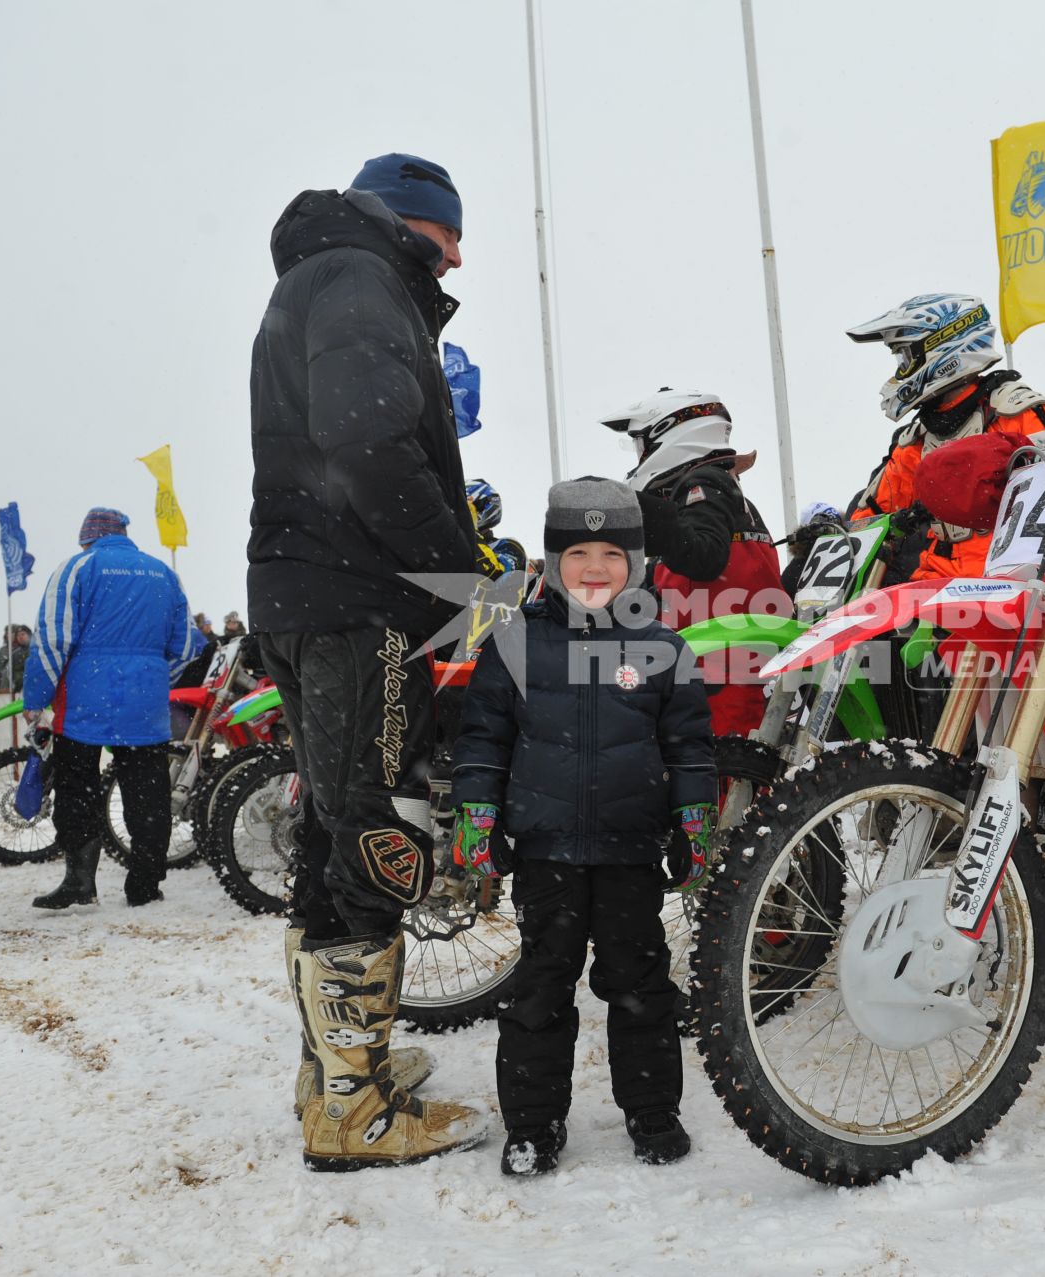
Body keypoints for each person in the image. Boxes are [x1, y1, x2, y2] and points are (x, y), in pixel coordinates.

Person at [248, 151, 488, 1170]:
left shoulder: (325, 276)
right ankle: (354, 1108)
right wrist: (461, 571)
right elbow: (369, 439)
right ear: (406, 223)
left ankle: (337, 1069)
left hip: (307, 592)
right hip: (360, 604)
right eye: (448, 234)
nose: (459, 257)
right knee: (379, 833)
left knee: (331, 833)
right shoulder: (360, 279)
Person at [451, 478, 716, 1176]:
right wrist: (478, 810)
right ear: (551, 559)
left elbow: (689, 745)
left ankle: (653, 1110)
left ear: (636, 561)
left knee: (640, 984)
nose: (594, 567)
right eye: (577, 552)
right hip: (546, 852)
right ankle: (534, 1124)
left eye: (610, 552)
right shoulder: (514, 641)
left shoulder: (662, 646)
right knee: (540, 986)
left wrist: (693, 816)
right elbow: (481, 738)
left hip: (630, 850)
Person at [24, 508, 200, 912]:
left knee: (77, 788)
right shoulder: (162, 573)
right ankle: (144, 885)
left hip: (85, 702)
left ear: (88, 539)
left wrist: (36, 699)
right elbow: (186, 645)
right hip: (146, 702)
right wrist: (153, 675)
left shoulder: (77, 568)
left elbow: (51, 639)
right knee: (148, 793)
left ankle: (80, 880)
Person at [600, 390, 788, 736]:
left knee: (724, 773)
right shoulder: (716, 488)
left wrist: (635, 512)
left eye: (641, 444)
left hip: (722, 663)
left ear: (672, 434)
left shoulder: (704, 482)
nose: (639, 456)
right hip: (723, 658)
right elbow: (680, 580)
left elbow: (704, 556)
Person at [845, 293, 1045, 582]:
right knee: (871, 625)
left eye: (906, 357)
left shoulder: (1015, 413)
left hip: (1010, 580)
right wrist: (832, 534)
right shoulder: (919, 439)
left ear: (943, 346)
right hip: (936, 582)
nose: (901, 369)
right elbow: (869, 519)